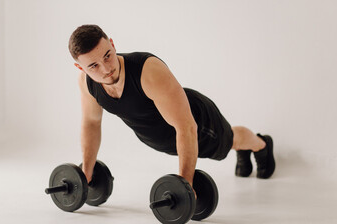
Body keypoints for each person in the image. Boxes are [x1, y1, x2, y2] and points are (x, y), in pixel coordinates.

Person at [68, 24, 276, 192]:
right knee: (229, 142)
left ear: (112, 44)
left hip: (196, 121)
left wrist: (186, 185)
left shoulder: (148, 71)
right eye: (93, 66)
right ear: (81, 68)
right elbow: (91, 122)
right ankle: (245, 149)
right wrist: (86, 170)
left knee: (230, 140)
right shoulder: (87, 83)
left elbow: (186, 127)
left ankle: (261, 145)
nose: (106, 68)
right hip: (162, 138)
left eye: (107, 55)